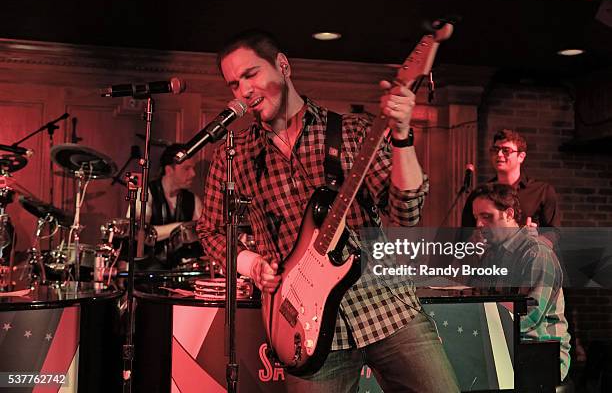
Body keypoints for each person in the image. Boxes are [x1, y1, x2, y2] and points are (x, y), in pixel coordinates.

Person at [196, 30, 459, 392]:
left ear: (283, 66)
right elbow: (210, 231)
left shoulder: (351, 131)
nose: (243, 91)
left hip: (385, 307)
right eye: (233, 84)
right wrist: (252, 265)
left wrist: (400, 135)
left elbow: (407, 211)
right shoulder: (235, 155)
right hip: (301, 329)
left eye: (251, 74)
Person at [471, 182, 571, 381]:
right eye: (477, 218)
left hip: (538, 350)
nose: (479, 225)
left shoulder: (537, 253)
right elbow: (479, 302)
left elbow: (529, 316)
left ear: (509, 214)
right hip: (508, 344)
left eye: (486, 217)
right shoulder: (492, 253)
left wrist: (481, 330)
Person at [461, 129, 560, 246]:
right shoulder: (479, 194)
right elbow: (464, 236)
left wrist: (536, 240)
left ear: (521, 156)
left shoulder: (542, 191)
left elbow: (553, 232)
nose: (499, 154)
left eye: (506, 150)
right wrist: (474, 240)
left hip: (528, 258)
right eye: (495, 150)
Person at [130, 143, 203, 270]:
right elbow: (140, 232)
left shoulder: (193, 199)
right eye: (187, 168)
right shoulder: (145, 193)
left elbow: (203, 230)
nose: (193, 174)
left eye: (193, 168)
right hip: (146, 269)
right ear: (169, 170)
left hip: (181, 269)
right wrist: (181, 227)